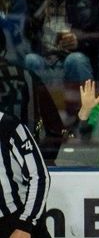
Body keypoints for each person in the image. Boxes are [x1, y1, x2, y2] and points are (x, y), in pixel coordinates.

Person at [21, 0, 99, 122]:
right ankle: (40, 122)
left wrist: (78, 40)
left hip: (70, 61)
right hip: (45, 61)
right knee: (30, 60)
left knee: (77, 60)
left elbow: (98, 34)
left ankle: (87, 122)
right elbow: (23, 32)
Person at [0, 33, 68, 164]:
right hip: (24, 162)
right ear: (4, 50)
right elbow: (55, 130)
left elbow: (56, 130)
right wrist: (36, 160)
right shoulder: (28, 77)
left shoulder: (29, 79)